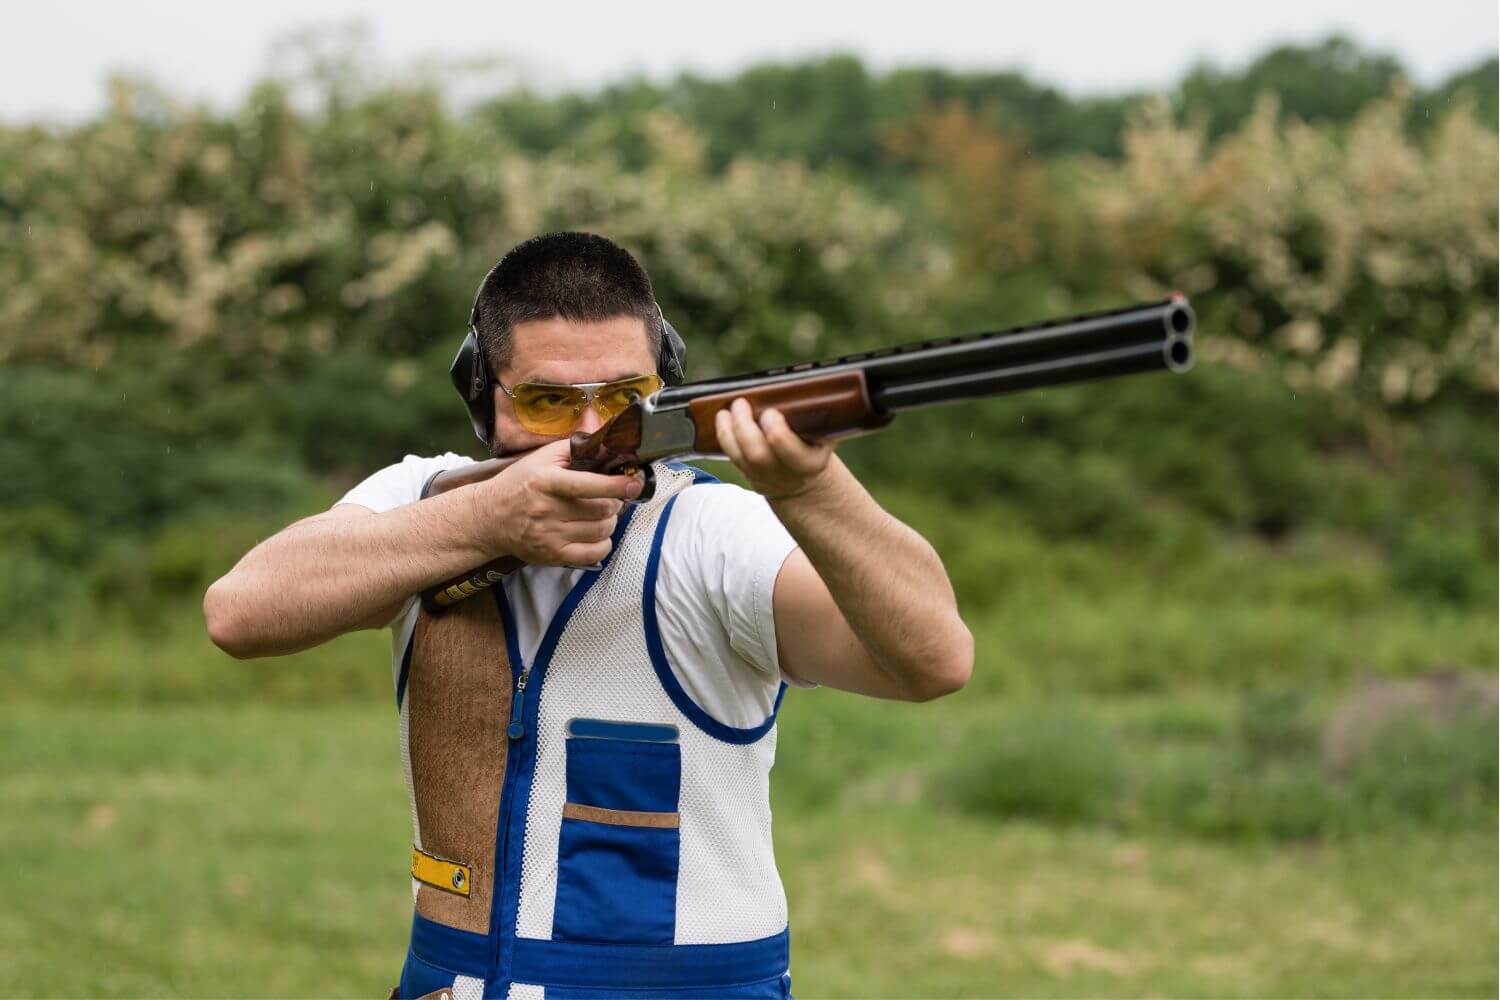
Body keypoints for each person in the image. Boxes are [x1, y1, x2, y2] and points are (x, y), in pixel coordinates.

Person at [203, 231, 972, 999]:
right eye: (547, 401)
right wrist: (482, 523)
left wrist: (811, 490)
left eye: (621, 398)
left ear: (661, 387)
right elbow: (240, 613)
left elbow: (934, 660)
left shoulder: (711, 531)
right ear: (483, 395)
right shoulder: (423, 502)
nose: (588, 432)